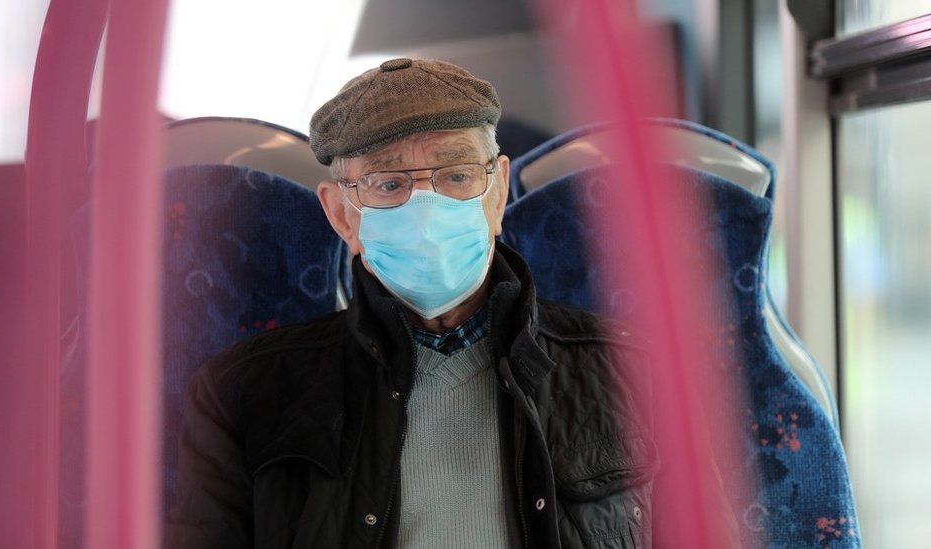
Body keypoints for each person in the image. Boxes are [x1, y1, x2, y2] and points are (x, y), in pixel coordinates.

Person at [165, 57, 735, 548]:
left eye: (457, 175)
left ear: (497, 190)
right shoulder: (242, 394)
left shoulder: (638, 369)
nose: (428, 210)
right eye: (390, 185)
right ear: (341, 214)